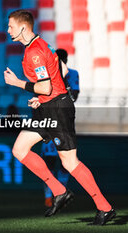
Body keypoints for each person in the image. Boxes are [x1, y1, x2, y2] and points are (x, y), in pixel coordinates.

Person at [3, 9, 115, 225]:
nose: (8, 30)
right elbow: (61, 73)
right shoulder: (40, 45)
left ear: (23, 27)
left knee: (70, 162)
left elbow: (45, 87)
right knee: (19, 149)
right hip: (48, 107)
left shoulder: (34, 52)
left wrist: (19, 83)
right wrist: (42, 97)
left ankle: (105, 207)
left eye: (11, 26)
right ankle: (59, 191)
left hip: (57, 111)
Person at [42, 49, 80, 208]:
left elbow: (75, 95)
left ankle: (61, 193)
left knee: (67, 163)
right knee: (49, 162)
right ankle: (48, 197)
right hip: (50, 121)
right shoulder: (47, 74)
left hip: (65, 122)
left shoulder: (72, 74)